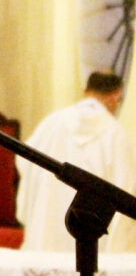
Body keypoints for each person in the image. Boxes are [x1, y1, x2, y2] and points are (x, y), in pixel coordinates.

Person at [16, 71, 136, 252]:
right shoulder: (116, 135)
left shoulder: (51, 123)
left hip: (45, 231)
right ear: (115, 95)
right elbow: (126, 189)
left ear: (85, 90)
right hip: (90, 240)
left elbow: (24, 163)